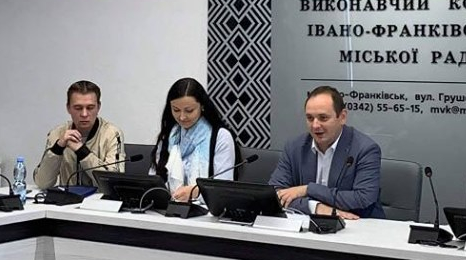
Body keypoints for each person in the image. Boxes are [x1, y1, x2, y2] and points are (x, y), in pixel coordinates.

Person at [268, 85, 384, 219]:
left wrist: (308, 189)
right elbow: (276, 194)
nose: (315, 125)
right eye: (310, 118)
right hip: (307, 224)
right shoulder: (294, 147)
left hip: (357, 224)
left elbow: (362, 198)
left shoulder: (365, 149)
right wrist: (316, 207)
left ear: (342, 117)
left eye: (323, 118)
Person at [152, 77, 240, 202]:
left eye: (189, 111)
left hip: (207, 210)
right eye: (176, 110)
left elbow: (224, 190)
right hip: (168, 207)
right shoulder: (169, 135)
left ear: (202, 106)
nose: (182, 117)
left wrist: (196, 192)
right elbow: (153, 180)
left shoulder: (220, 137)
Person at [34, 80, 125, 189]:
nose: (84, 114)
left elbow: (114, 182)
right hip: (67, 198)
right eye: (78, 108)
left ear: (98, 107)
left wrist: (82, 151)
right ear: (68, 108)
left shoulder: (112, 134)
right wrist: (58, 148)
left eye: (90, 108)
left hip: (100, 198)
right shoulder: (57, 133)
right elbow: (42, 183)